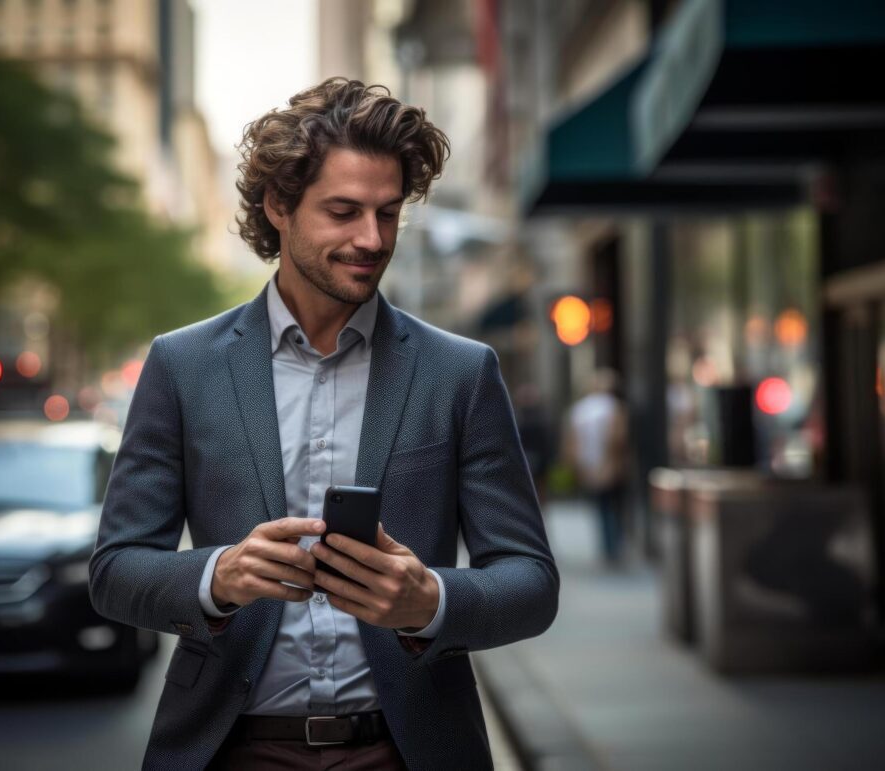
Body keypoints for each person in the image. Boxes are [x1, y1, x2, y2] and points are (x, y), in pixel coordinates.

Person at [89, 78, 558, 771]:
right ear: (279, 205)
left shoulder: (460, 372)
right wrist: (221, 574)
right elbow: (115, 570)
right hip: (230, 747)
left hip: (407, 748)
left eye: (388, 213)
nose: (372, 238)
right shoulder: (181, 366)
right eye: (343, 211)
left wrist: (430, 598)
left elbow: (531, 582)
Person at [563, 368, 629, 563]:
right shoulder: (613, 407)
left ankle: (608, 546)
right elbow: (617, 438)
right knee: (612, 506)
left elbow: (571, 442)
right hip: (609, 464)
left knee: (601, 507)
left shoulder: (579, 410)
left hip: (589, 465)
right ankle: (613, 546)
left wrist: (579, 466)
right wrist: (610, 463)